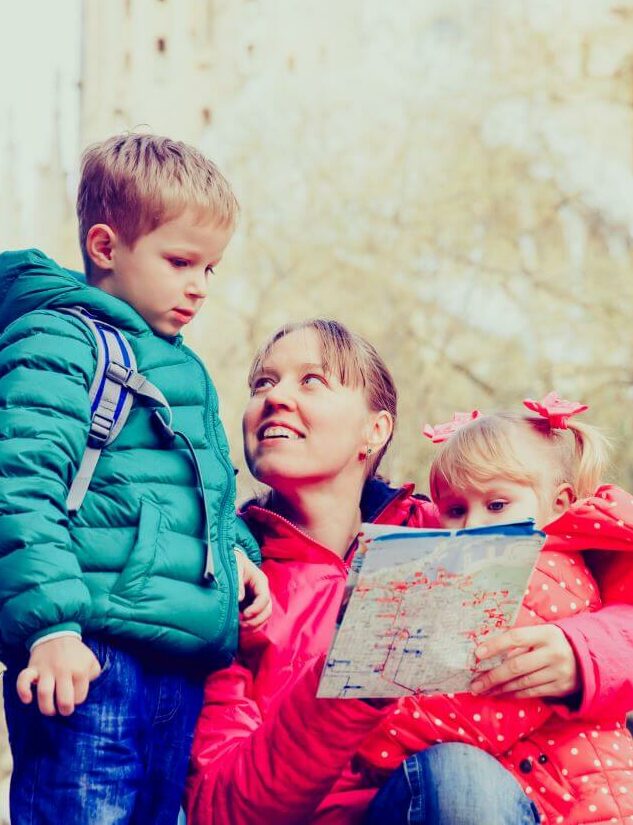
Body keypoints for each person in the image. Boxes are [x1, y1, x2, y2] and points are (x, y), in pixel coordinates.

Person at [185, 321, 633, 825]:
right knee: (459, 774)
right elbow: (220, 810)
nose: (276, 397)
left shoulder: (457, 521)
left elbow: (602, 569)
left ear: (375, 431)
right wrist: (353, 680)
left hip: (542, 798)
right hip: (382, 807)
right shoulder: (234, 583)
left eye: (311, 380)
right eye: (262, 384)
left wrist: (584, 653)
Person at [0, 133, 270, 825]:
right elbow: (20, 487)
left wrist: (237, 548)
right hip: (90, 654)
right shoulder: (62, 338)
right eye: (180, 261)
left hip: (172, 662)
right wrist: (52, 626)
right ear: (104, 246)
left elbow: (195, 493)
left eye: (210, 268)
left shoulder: (179, 364)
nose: (198, 286)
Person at [360, 401, 633, 824]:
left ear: (557, 504)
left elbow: (475, 706)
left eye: (497, 505)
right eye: (455, 510)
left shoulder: (540, 572)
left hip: (584, 802)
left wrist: (370, 743)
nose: (473, 527)